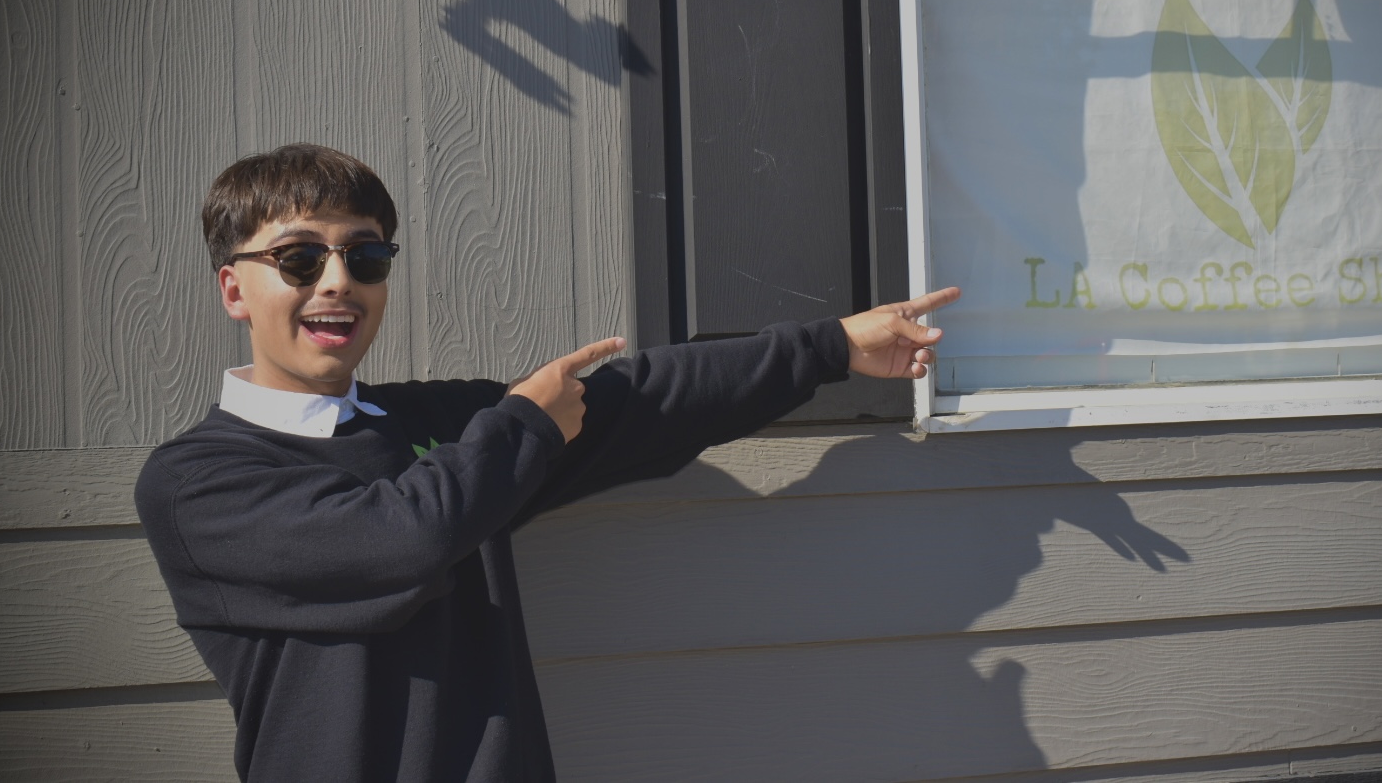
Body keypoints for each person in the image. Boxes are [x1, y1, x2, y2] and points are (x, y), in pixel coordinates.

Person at [135, 143, 960, 781]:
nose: (338, 281)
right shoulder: (197, 484)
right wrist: (525, 425)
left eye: (367, 256)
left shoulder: (443, 427)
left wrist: (829, 345)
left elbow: (643, 402)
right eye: (300, 258)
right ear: (235, 290)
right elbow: (395, 542)